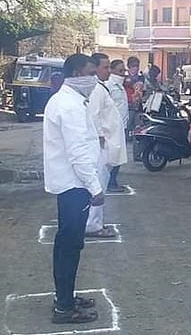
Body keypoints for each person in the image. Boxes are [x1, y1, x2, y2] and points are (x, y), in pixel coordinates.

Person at [44, 53, 103, 324]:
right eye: (91, 73)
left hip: (70, 183)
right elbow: (77, 152)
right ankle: (64, 308)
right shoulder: (69, 105)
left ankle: (64, 297)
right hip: (75, 185)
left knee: (67, 243)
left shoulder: (69, 100)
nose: (94, 78)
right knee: (69, 245)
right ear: (78, 74)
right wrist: (95, 187)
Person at [85, 53, 126, 237]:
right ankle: (92, 225)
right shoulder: (95, 89)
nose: (109, 71)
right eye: (106, 67)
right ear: (95, 68)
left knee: (100, 183)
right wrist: (101, 138)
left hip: (105, 144)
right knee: (98, 185)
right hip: (101, 146)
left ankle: (95, 222)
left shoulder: (99, 87)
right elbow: (93, 116)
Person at [106, 59, 129, 192]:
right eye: (120, 70)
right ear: (112, 70)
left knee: (119, 155)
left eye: (124, 70)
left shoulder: (120, 86)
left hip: (121, 125)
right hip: (112, 127)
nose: (123, 73)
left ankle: (112, 180)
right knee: (113, 156)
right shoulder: (109, 85)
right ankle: (110, 182)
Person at [124, 56, 144, 138]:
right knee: (127, 125)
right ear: (128, 66)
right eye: (133, 66)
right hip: (127, 105)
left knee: (138, 127)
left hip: (138, 106)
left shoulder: (141, 77)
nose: (135, 68)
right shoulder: (124, 77)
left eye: (137, 66)